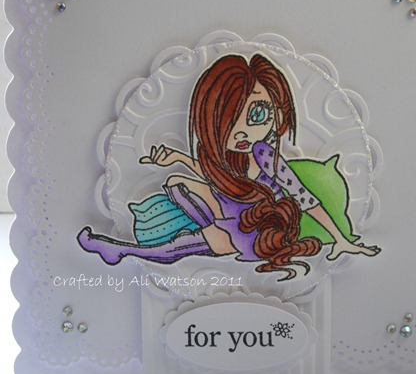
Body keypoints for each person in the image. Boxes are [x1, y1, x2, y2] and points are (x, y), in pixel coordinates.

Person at [77, 53, 380, 281]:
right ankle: (131, 246)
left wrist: (341, 238)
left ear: (277, 111)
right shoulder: (226, 157)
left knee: (182, 245)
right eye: (227, 119)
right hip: (234, 214)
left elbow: (304, 198)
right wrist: (179, 159)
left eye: (257, 114)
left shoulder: (265, 156)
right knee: (178, 190)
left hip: (255, 231)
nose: (242, 131)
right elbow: (216, 178)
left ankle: (123, 250)